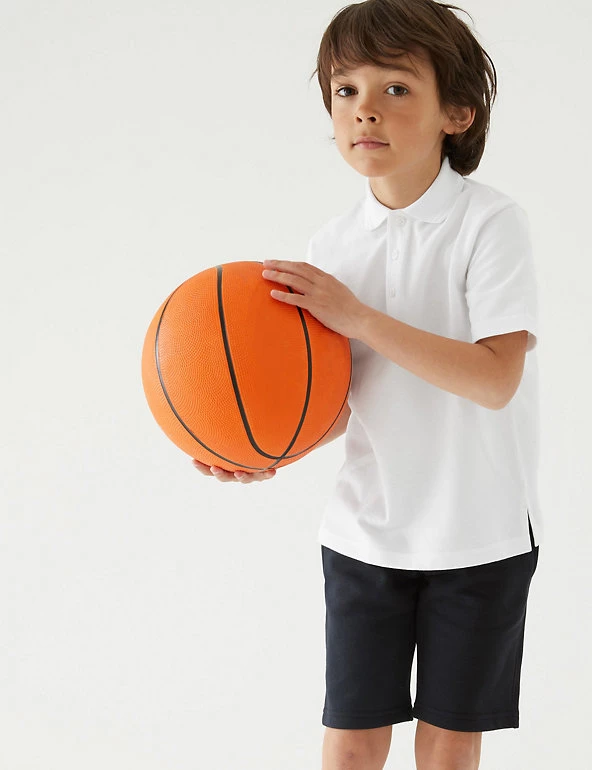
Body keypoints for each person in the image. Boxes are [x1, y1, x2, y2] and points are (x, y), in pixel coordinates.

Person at [195, 1, 541, 768]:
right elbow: (346, 396)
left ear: (457, 113)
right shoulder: (332, 245)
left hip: (477, 534)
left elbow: (494, 380)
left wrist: (357, 315)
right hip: (364, 534)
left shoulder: (491, 224)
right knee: (351, 743)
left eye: (396, 88)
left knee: (447, 747)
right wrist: (263, 452)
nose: (364, 110)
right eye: (345, 90)